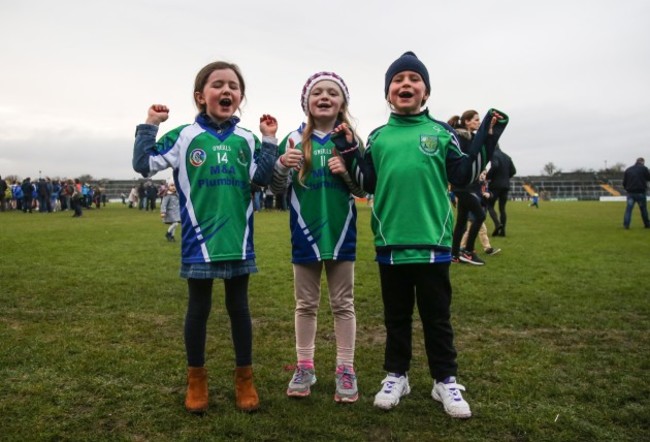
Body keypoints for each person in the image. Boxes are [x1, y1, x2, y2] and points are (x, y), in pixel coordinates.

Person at [335, 51, 508, 418]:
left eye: (414, 79)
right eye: (398, 80)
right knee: (395, 317)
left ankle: (444, 379)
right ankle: (397, 375)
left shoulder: (440, 133)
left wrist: (487, 138)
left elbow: (463, 176)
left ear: (426, 93)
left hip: (433, 242)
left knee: (436, 317)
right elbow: (365, 183)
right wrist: (350, 150)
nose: (405, 84)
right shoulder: (378, 137)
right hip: (390, 243)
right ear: (388, 93)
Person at [132, 60, 279, 413]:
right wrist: (150, 125)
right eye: (217, 85)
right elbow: (143, 164)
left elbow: (261, 179)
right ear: (201, 96)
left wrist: (271, 139)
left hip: (238, 239)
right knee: (198, 309)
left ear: (240, 97)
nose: (226, 90)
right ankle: (196, 379)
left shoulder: (247, 138)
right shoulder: (184, 136)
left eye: (233, 86)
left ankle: (245, 378)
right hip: (198, 242)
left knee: (239, 309)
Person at [270, 71, 365, 403]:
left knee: (343, 304)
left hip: (341, 233)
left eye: (332, 93)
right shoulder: (294, 139)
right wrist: (282, 165)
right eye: (317, 93)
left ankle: (345, 369)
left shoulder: (350, 139)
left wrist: (348, 170)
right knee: (305, 304)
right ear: (306, 102)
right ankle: (305, 366)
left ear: (342, 103)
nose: (324, 97)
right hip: (304, 232)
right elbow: (277, 190)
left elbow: (363, 188)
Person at [448, 111, 488, 266]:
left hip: (465, 186)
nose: (478, 123)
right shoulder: (463, 138)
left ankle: (454, 254)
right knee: (480, 215)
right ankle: (468, 251)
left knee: (461, 222)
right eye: (476, 120)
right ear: (466, 121)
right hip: (464, 186)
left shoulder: (470, 137)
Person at [460, 171, 501, 256]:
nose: (483, 175)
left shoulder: (484, 184)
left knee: (469, 230)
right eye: (481, 173)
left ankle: (462, 247)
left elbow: (489, 193)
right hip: (473, 210)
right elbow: (473, 197)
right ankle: (487, 249)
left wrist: (489, 194)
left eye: (485, 174)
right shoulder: (474, 184)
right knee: (482, 230)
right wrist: (481, 197)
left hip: (480, 210)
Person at [486, 145, 516, 236]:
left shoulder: (494, 154)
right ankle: (503, 232)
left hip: (495, 185)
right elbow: (513, 171)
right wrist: (506, 178)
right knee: (502, 209)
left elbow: (494, 165)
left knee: (489, 205)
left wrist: (488, 177)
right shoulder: (507, 157)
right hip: (505, 186)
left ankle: (497, 224)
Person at [622, 157, 650, 229]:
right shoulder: (644, 168)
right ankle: (647, 224)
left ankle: (626, 225)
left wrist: (627, 189)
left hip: (630, 193)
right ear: (642, 162)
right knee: (643, 209)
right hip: (640, 192)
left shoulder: (628, 169)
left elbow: (624, 182)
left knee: (628, 209)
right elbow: (648, 178)